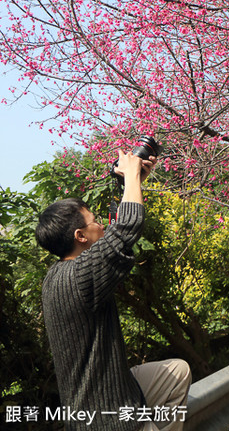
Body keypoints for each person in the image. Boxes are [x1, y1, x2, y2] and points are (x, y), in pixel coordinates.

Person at [35, 149, 191, 430]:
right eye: (94, 221)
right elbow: (127, 227)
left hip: (113, 389)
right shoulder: (80, 276)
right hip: (107, 418)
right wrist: (130, 174)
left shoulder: (59, 274)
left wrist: (134, 182)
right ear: (80, 236)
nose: (102, 224)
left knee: (177, 372)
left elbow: (117, 232)